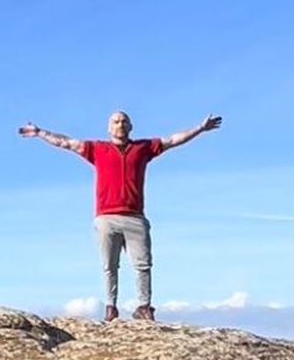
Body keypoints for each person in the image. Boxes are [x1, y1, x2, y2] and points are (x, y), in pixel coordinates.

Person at [18, 106, 222, 321]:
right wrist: (40, 133)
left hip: (135, 217)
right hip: (106, 218)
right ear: (109, 128)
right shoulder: (97, 149)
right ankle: (111, 307)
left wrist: (200, 128)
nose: (120, 124)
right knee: (109, 266)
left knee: (143, 265)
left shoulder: (143, 148)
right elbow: (66, 143)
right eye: (115, 121)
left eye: (124, 121)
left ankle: (144, 306)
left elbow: (172, 140)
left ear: (131, 126)